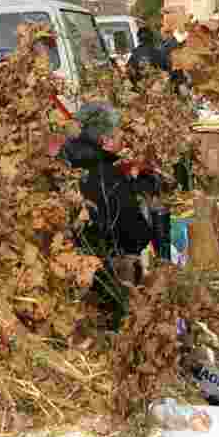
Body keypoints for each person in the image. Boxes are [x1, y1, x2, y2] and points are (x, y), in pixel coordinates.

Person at [61, 101, 158, 328]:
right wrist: (131, 186)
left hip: (70, 272)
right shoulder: (109, 179)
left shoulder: (65, 167)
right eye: (119, 135)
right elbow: (138, 235)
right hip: (103, 280)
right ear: (105, 142)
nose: (123, 139)